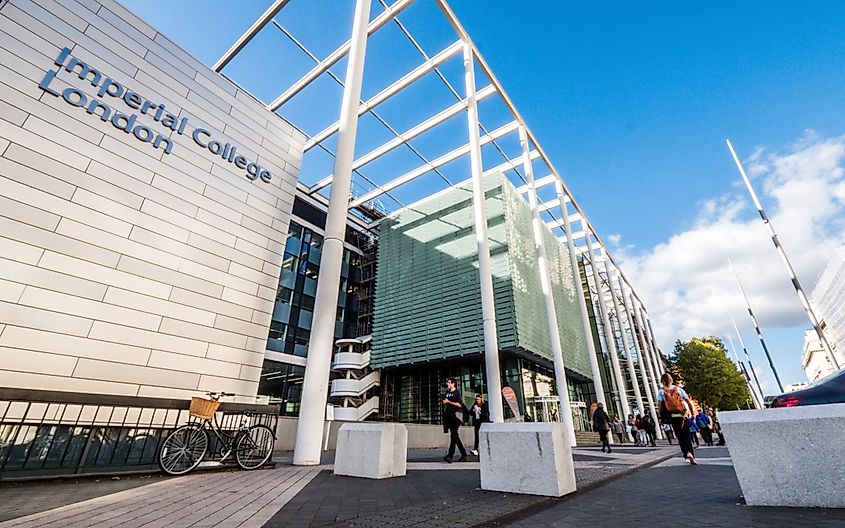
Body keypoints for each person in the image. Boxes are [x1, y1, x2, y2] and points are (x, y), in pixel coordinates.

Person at [657, 372, 697, 465]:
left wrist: (660, 417)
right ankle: (690, 453)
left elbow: (660, 406)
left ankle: (685, 455)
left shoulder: (661, 391)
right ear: (671, 380)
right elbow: (688, 402)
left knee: (679, 436)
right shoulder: (678, 389)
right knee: (686, 435)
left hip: (673, 417)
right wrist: (692, 413)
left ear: (662, 381)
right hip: (683, 416)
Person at [442, 377, 467, 463]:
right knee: (455, 435)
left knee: (453, 435)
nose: (448, 384)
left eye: (449, 382)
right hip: (449, 416)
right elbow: (445, 401)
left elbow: (459, 405)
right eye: (448, 382)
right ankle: (463, 454)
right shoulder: (447, 392)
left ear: (453, 384)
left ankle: (450, 455)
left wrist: (449, 402)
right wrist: (445, 402)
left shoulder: (457, 393)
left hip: (456, 416)